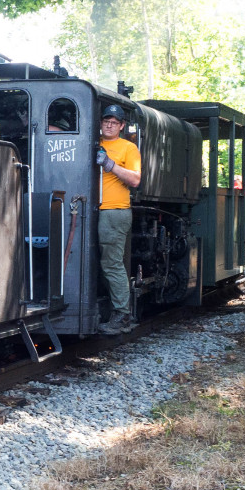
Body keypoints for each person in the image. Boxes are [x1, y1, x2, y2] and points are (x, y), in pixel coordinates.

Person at [96, 104, 142, 334]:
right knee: (101, 262)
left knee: (112, 264)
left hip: (114, 211)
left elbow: (135, 179)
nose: (110, 124)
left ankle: (123, 314)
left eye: (115, 121)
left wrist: (110, 165)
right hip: (94, 209)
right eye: (106, 120)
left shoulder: (128, 148)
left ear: (122, 125)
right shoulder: (94, 142)